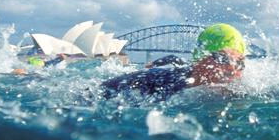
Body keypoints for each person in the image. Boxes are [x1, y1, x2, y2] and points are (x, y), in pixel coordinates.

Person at [101, 23, 246, 101]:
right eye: (223, 59)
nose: (232, 69)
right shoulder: (171, 82)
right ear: (201, 59)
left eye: (240, 63)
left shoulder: (242, 89)